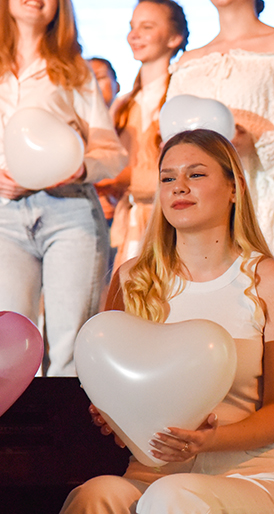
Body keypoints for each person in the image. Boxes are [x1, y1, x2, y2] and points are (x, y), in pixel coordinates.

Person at [55, 129, 274, 514]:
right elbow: (110, 382)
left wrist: (211, 439)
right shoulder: (132, 278)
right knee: (94, 498)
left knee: (173, 500)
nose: (179, 187)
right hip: (149, 478)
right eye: (168, 177)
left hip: (248, 481)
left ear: (233, 187)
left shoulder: (270, 281)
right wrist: (111, 415)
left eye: (196, 174)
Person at [167, 0, 274, 283]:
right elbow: (171, 134)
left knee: (263, 296)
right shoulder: (189, 63)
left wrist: (259, 141)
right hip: (197, 207)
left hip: (261, 201)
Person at [0, 0, 127, 376]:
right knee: (11, 346)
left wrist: (77, 167)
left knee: (69, 346)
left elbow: (112, 153)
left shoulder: (74, 70)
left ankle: (64, 418)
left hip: (68, 211)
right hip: (5, 218)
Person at [107, 0, 189, 272]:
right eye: (132, 27)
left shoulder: (182, 98)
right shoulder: (122, 105)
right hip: (130, 222)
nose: (134, 35)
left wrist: (125, 179)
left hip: (171, 224)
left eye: (147, 27)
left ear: (174, 38)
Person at [88, 57, 122, 223]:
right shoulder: (75, 128)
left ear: (117, 85)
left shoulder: (129, 120)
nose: (93, 85)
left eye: (100, 78)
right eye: (87, 79)